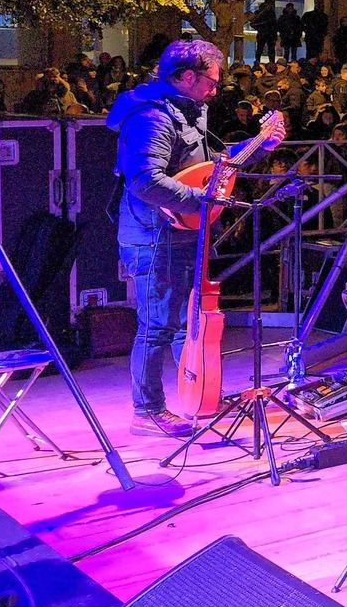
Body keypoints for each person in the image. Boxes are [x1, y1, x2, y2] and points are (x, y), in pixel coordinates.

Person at [108, 39, 283, 437]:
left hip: (179, 231)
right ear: (186, 76)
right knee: (157, 324)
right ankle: (147, 410)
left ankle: (198, 396)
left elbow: (213, 168)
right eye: (210, 80)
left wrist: (261, 145)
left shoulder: (188, 112)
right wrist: (202, 200)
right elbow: (145, 180)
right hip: (154, 233)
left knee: (186, 323)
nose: (215, 89)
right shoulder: (152, 117)